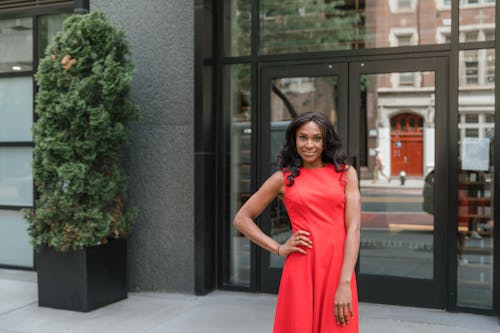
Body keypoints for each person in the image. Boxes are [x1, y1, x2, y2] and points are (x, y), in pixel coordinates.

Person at [233, 112, 361, 332]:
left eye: (316, 138)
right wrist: (279, 248)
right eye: (303, 137)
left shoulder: (346, 173)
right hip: (301, 268)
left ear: (325, 141)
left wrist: (344, 283)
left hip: (338, 270)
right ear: (294, 140)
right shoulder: (282, 178)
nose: (309, 144)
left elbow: (354, 230)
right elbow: (241, 219)